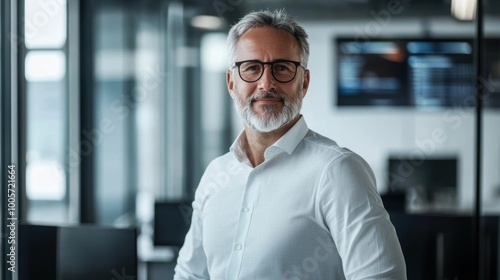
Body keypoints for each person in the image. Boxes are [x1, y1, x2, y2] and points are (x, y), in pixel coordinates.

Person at [174, 9, 406, 280]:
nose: (266, 83)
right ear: (231, 82)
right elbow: (190, 274)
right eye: (251, 68)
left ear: (304, 82)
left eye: (281, 68)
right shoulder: (216, 174)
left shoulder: (337, 171)